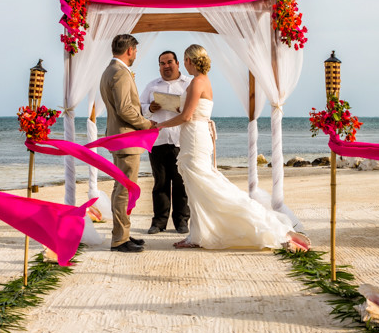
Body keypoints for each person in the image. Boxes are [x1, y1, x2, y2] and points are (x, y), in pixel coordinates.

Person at [158, 45, 309, 251]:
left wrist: (159, 125)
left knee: (206, 186)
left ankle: (268, 228)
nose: (184, 64)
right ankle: (197, 233)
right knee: (197, 188)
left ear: (190, 61)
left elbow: (186, 116)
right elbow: (191, 111)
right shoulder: (203, 81)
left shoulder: (196, 82)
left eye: (185, 60)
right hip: (196, 134)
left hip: (194, 136)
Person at [99, 34, 157, 253]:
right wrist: (145, 124)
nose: (135, 54)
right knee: (124, 189)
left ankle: (121, 232)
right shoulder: (121, 73)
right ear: (130, 50)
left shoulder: (109, 71)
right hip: (126, 138)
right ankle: (119, 240)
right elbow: (124, 109)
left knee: (120, 188)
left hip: (118, 137)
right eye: (135, 50)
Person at [141, 50, 191, 235]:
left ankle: (181, 222)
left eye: (169, 62)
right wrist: (149, 108)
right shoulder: (152, 86)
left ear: (177, 63)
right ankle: (159, 222)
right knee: (160, 183)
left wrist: (183, 108)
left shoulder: (189, 84)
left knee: (180, 183)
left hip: (181, 140)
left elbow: (197, 107)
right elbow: (140, 107)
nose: (166, 66)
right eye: (162, 63)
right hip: (158, 140)